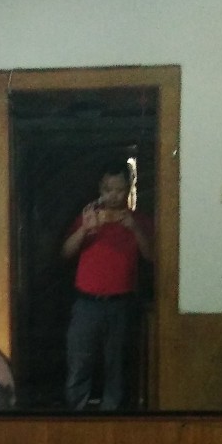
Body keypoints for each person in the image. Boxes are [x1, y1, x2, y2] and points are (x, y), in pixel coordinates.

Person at [61, 162, 154, 410]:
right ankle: (76, 412)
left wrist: (134, 229)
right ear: (100, 189)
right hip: (86, 304)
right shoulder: (88, 217)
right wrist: (85, 229)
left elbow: (152, 256)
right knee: (80, 361)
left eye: (119, 190)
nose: (113, 195)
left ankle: (112, 415)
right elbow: (65, 253)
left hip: (121, 304)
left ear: (128, 189)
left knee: (117, 364)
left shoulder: (138, 220)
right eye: (107, 189)